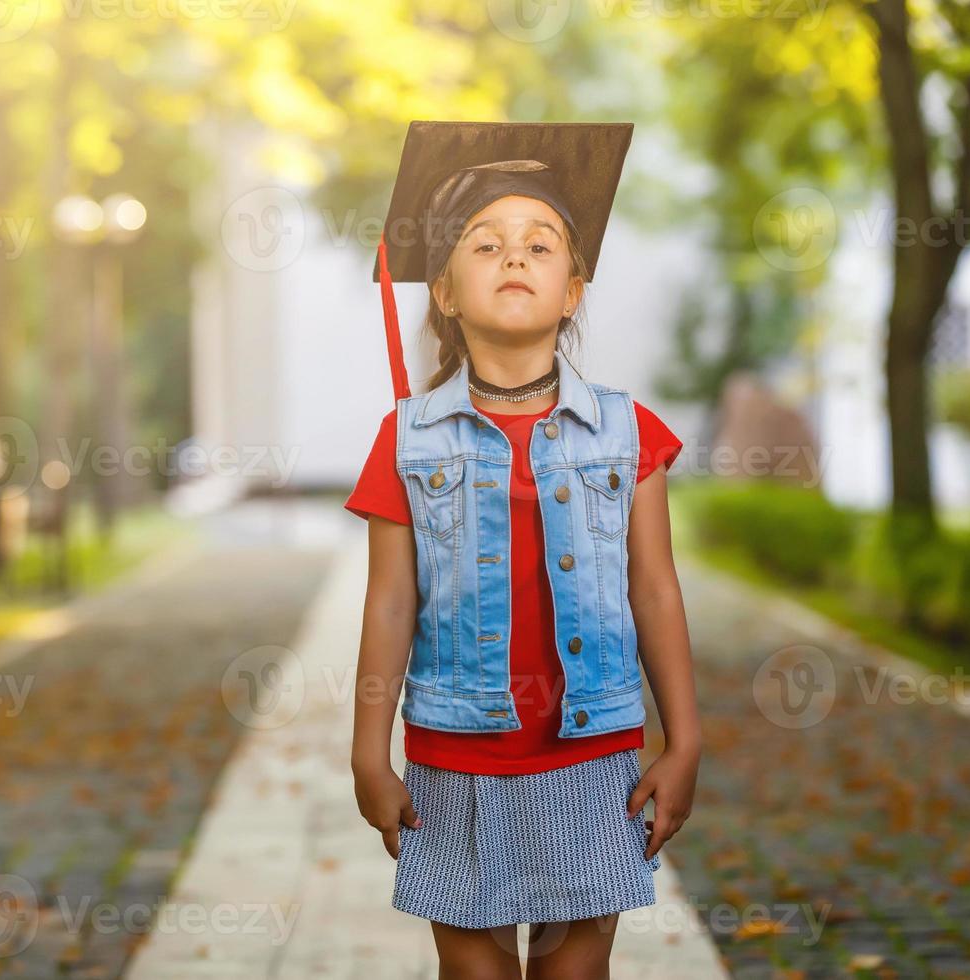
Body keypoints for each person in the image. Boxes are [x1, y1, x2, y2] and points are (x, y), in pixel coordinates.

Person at [346, 121, 702, 979]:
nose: (514, 256)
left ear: (572, 290)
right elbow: (391, 602)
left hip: (591, 751)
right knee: (473, 973)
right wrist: (367, 750)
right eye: (486, 243)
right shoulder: (405, 442)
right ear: (444, 290)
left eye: (540, 245)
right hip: (455, 754)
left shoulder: (628, 432)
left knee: (573, 973)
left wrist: (683, 740)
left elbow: (654, 589)